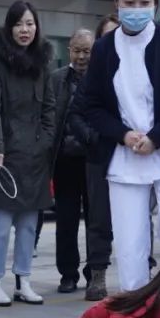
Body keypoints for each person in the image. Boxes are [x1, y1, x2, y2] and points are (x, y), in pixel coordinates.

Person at [75, 0, 160, 294]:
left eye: (145, 1)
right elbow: (92, 105)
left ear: (156, 4)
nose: (137, 8)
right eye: (129, 1)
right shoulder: (103, 48)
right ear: (116, 3)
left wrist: (156, 137)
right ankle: (137, 309)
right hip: (125, 155)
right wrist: (124, 135)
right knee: (130, 244)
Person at [0, 0, 55, 307]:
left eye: (30, 24)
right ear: (10, 28)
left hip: (35, 155)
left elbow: (49, 107)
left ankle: (24, 280)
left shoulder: (43, 62)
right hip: (4, 155)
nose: (25, 30)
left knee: (28, 224)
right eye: (19, 24)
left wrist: (45, 141)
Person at [67, 15, 118, 302]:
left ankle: (145, 270)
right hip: (100, 155)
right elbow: (75, 114)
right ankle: (97, 273)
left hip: (135, 154)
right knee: (98, 218)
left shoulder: (140, 69)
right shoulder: (94, 75)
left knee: (140, 219)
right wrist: (92, 137)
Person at [49, 27, 95, 295]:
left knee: (94, 221)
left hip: (92, 161)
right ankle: (68, 274)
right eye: (77, 51)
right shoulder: (56, 79)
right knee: (65, 221)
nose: (81, 57)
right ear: (69, 51)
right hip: (63, 160)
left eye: (86, 51)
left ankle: (94, 272)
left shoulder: (101, 78)